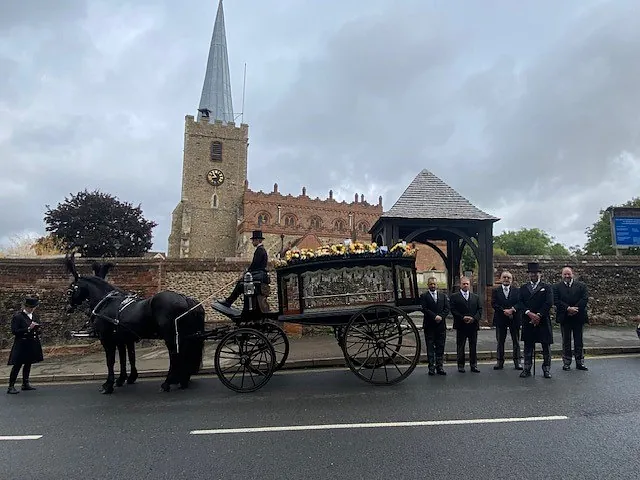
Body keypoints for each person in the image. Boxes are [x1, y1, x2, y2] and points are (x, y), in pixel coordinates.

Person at [517, 262, 554, 379]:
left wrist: (538, 315)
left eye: (536, 273)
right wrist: (529, 313)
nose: (533, 274)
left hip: (542, 320)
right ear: (529, 274)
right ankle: (527, 368)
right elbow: (520, 303)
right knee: (528, 346)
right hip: (528, 320)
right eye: (531, 273)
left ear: (539, 274)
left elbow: (549, 302)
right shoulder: (523, 288)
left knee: (546, 346)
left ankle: (546, 369)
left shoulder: (547, 287)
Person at [218, 230, 268, 307]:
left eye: (253, 240)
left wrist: (247, 273)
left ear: (258, 240)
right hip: (259, 274)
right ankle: (229, 301)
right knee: (241, 283)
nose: (252, 242)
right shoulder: (261, 250)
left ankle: (229, 301)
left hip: (258, 275)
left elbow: (255, 265)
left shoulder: (260, 250)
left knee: (240, 284)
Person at [553, 266, 589, 371]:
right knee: (566, 341)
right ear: (562, 275)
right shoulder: (556, 287)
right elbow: (556, 300)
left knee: (579, 341)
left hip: (578, 316)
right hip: (565, 317)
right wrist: (568, 308)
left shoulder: (581, 286)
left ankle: (580, 362)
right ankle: (567, 362)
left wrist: (575, 309)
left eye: (569, 274)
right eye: (565, 274)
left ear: (572, 274)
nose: (567, 276)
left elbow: (584, 299)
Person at [7, 296, 44, 394]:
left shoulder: (35, 316)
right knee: (17, 365)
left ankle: (25, 383)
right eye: (30, 307)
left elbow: (38, 328)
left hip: (31, 343)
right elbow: (15, 331)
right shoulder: (18, 317)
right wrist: (28, 329)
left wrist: (38, 329)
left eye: (33, 307)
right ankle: (11, 386)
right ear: (25, 306)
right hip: (21, 344)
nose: (31, 309)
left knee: (28, 363)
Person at [450, 277, 482, 373]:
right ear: (460, 285)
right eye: (464, 284)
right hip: (461, 325)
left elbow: (480, 310)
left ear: (470, 285)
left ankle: (473, 365)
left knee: (473, 346)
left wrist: (474, 318)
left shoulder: (476, 297)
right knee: (460, 346)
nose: (465, 285)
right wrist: (462, 317)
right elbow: (453, 310)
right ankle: (460, 365)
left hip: (473, 325)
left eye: (467, 284)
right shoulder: (454, 297)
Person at [491, 271, 523, 370]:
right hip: (500, 318)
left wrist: (512, 310)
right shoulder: (496, 291)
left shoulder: (517, 291)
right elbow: (494, 303)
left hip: (514, 318)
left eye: (508, 278)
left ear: (511, 280)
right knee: (500, 341)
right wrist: (503, 311)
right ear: (501, 279)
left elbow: (520, 303)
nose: (506, 279)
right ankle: (499, 362)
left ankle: (517, 362)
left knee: (516, 341)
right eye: (504, 277)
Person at [420, 276, 450, 376]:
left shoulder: (443, 296)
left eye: (434, 284)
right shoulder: (424, 296)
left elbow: (447, 308)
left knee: (440, 347)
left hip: (441, 325)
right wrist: (434, 316)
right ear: (428, 285)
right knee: (430, 347)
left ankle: (439, 367)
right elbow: (424, 309)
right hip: (429, 325)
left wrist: (441, 316)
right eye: (431, 284)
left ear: (437, 285)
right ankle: (431, 368)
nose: (433, 286)